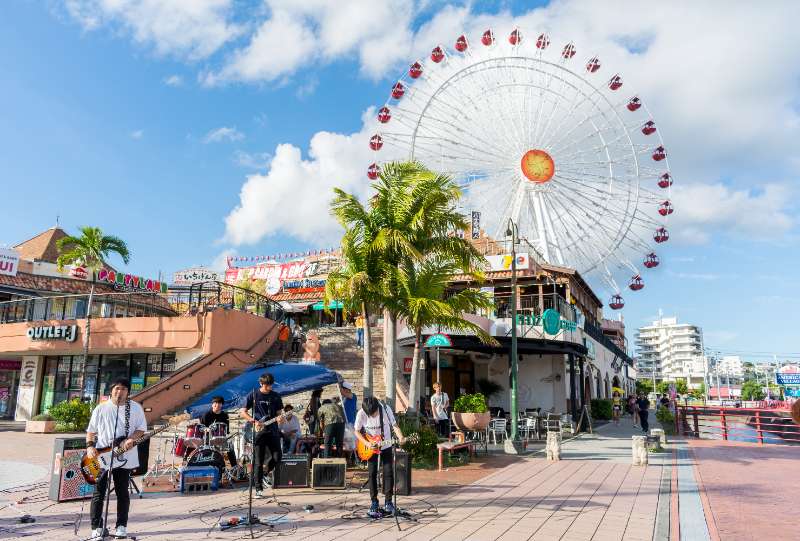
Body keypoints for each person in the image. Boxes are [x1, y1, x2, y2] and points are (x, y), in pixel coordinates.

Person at [86, 378, 147, 540]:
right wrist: (90, 447)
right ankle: (96, 527)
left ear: (128, 392)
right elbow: (91, 431)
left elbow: (141, 429)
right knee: (99, 493)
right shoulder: (101, 408)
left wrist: (131, 439)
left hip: (124, 456)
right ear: (111, 390)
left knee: (122, 492)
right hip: (102, 456)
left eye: (124, 389)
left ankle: (121, 526)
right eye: (117, 388)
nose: (120, 392)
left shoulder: (135, 408)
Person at [353, 396, 405, 518]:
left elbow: (394, 425)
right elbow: (356, 431)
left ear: (378, 407)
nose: (372, 416)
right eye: (370, 414)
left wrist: (401, 437)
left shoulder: (386, 409)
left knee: (388, 472)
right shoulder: (361, 413)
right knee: (372, 474)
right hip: (370, 447)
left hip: (386, 444)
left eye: (374, 413)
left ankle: (388, 502)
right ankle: (374, 502)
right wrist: (367, 444)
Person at [239, 372, 283, 498]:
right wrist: (253, 421)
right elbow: (243, 412)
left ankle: (265, 473)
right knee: (258, 460)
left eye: (270, 385)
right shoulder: (253, 395)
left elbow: (279, 414)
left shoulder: (276, 396)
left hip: (272, 430)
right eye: (266, 385)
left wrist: (281, 419)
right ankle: (258, 489)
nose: (269, 387)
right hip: (258, 431)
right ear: (260, 383)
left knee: (277, 456)